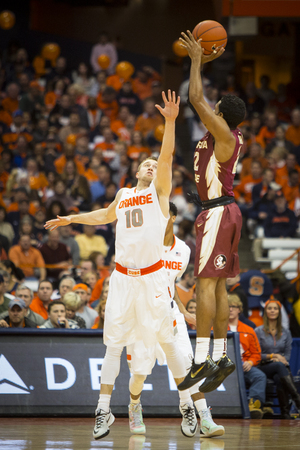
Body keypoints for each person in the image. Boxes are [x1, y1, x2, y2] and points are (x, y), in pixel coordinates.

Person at [45, 90, 191, 441]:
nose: (151, 166)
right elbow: (104, 216)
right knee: (113, 345)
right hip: (123, 279)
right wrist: (71, 219)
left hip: (153, 279)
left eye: (155, 165)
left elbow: (167, 156)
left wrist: (170, 122)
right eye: (146, 164)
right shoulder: (124, 194)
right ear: (136, 169)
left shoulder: (159, 194)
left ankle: (169, 403)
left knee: (158, 346)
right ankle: (103, 410)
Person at [178, 31, 246, 393]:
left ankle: (201, 356)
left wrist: (196, 59)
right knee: (218, 286)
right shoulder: (227, 135)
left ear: (221, 115)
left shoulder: (222, 133)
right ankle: (220, 355)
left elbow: (194, 97)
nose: (211, 106)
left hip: (219, 214)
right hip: (223, 209)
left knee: (205, 283)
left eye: (215, 106)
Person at [126, 202, 224, 437]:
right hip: (141, 315)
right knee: (139, 374)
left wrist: (182, 310)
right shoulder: (139, 246)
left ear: (173, 218)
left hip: (170, 314)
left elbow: (170, 285)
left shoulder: (183, 250)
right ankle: (134, 407)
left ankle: (203, 417)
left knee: (189, 366)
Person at [227, 294, 273, 419]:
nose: (230, 309)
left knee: (259, 376)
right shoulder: (215, 328)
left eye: (233, 306)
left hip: (244, 365)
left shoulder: (249, 330)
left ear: (239, 310)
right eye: (227, 306)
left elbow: (256, 354)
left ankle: (254, 406)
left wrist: (251, 363)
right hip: (224, 366)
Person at [255, 298, 300, 418]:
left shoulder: (286, 332)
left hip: (280, 367)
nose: (272, 311)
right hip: (262, 367)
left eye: (275, 308)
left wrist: (280, 359)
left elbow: (287, 355)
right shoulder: (258, 331)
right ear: (265, 311)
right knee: (280, 367)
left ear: (279, 312)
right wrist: (273, 356)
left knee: (280, 375)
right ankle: (297, 399)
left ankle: (285, 414)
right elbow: (256, 355)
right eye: (270, 308)